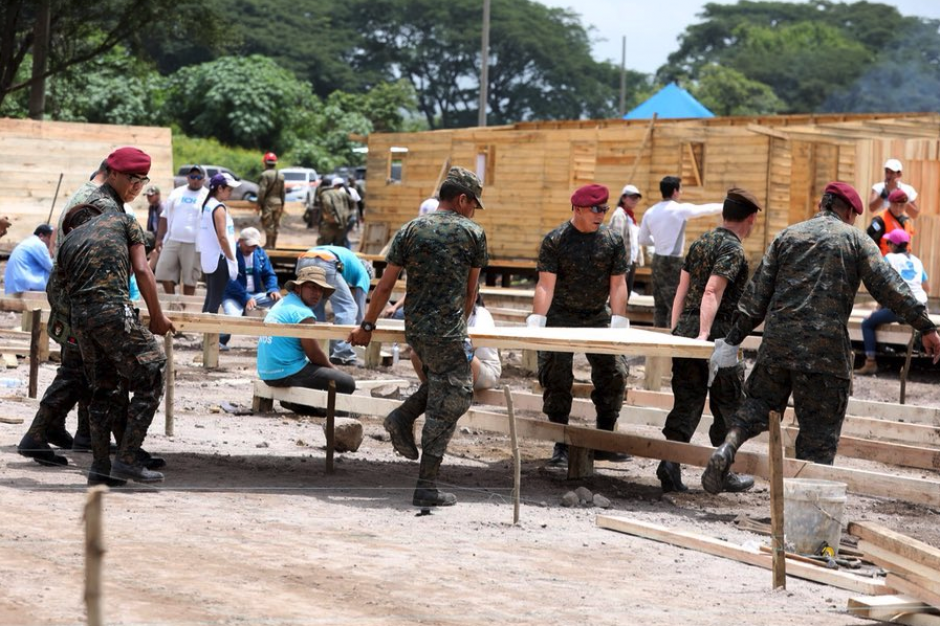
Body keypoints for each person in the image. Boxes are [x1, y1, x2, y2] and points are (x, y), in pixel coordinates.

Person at [701, 182, 940, 494]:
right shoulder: (856, 240)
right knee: (818, 435)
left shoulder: (787, 236)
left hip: (778, 344)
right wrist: (925, 326)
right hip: (824, 353)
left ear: (822, 203)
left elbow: (755, 297)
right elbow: (889, 286)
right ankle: (804, 505)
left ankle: (727, 448)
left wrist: (732, 341)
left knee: (757, 405)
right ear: (851, 212)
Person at [349, 166, 487, 507]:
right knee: (455, 396)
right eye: (473, 203)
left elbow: (385, 285)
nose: (473, 210)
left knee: (442, 383)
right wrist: (463, 329)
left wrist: (367, 326)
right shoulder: (473, 233)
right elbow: (471, 292)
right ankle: (426, 485)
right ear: (462, 199)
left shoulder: (410, 229)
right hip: (449, 329)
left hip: (417, 329)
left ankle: (403, 416)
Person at [58, 146, 176, 485]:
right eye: (131, 180)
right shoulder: (124, 221)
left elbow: (62, 281)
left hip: (82, 317)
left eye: (142, 181)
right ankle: (126, 458)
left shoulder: (71, 241)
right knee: (152, 371)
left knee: (103, 388)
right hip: (111, 309)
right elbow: (142, 270)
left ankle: (99, 468)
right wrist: (157, 317)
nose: (136, 187)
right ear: (112, 175)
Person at [657, 188, 762, 494]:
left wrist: (677, 329)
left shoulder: (701, 241)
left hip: (688, 327)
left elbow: (682, 288)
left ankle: (670, 463)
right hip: (719, 336)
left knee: (686, 398)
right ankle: (723, 472)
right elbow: (712, 291)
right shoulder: (733, 249)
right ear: (751, 218)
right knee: (730, 401)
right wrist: (704, 335)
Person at [528, 183, 630, 468]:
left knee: (615, 373)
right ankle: (561, 442)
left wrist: (618, 323)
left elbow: (618, 284)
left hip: (597, 316)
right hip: (560, 316)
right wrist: (537, 324)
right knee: (557, 378)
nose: (601, 214)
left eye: (605, 208)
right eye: (596, 209)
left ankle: (604, 440)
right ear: (578, 208)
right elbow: (545, 286)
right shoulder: (556, 240)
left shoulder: (612, 240)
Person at [257, 265, 356, 414]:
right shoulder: (303, 313)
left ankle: (297, 404)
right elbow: (314, 354)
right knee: (347, 383)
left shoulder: (283, 303)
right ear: (298, 288)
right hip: (285, 373)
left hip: (267, 372)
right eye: (312, 287)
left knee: (323, 375)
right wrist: (333, 369)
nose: (317, 293)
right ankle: (329, 411)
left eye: (320, 289)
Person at [638, 176, 724, 327]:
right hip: (673, 261)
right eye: (680, 189)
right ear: (675, 191)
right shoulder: (679, 209)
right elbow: (705, 209)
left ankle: (658, 337)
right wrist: (726, 205)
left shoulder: (650, 212)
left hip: (657, 260)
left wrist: (658, 243)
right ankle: (672, 338)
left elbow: (642, 239)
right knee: (675, 303)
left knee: (659, 305)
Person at [857, 228, 930, 376]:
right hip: (921, 307)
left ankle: (870, 362)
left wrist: (877, 310)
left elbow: (884, 287)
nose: (888, 245)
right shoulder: (917, 260)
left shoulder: (889, 258)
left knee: (867, 323)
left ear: (894, 245)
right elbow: (926, 287)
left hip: (902, 306)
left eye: (889, 242)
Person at [296, 245, 372, 365]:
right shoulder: (364, 274)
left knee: (315, 306)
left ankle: (318, 348)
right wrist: (361, 332)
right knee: (348, 307)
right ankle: (343, 354)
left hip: (304, 259)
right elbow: (360, 312)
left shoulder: (350, 261)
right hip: (326, 262)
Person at [409, 293, 501, 391]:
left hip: (485, 370)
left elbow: (473, 345)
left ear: (475, 297)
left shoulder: (482, 314)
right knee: (416, 353)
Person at [220, 227, 281, 347]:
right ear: (240, 241)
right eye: (248, 245)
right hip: (233, 295)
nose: (251, 249)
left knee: (279, 302)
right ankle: (220, 341)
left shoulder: (260, 253)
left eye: (254, 246)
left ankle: (274, 341)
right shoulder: (230, 251)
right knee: (232, 317)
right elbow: (229, 279)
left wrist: (273, 288)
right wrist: (245, 297)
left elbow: (269, 274)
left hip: (255, 295)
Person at [154, 165, 208, 295]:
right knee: (164, 272)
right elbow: (164, 215)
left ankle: (185, 305)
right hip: (173, 239)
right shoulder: (177, 192)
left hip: (194, 243)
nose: (195, 180)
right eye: (192, 177)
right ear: (187, 178)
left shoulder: (207, 195)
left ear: (204, 179)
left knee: (190, 278)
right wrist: (159, 238)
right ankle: (173, 300)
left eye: (199, 177)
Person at [197, 173, 238, 314]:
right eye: (229, 190)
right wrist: (232, 259)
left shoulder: (208, 204)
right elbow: (223, 237)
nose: (231, 193)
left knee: (210, 297)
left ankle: (205, 334)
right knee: (215, 300)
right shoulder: (218, 207)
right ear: (220, 188)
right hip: (220, 259)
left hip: (210, 258)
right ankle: (210, 335)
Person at [608, 184, 642, 296]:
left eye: (636, 198)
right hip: (622, 262)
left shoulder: (631, 217)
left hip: (630, 260)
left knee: (625, 294)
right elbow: (617, 239)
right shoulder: (620, 215)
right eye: (631, 197)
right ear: (623, 198)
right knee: (618, 294)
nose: (634, 200)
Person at [3, 224, 54, 295]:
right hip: (24, 283)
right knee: (55, 273)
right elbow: (51, 267)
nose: (50, 241)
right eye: (49, 238)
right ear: (41, 236)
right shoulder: (38, 244)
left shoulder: (27, 242)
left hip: (12, 285)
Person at [867, 188, 914, 256]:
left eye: (901, 205)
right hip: (884, 261)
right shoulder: (879, 220)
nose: (898, 208)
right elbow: (870, 241)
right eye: (895, 205)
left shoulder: (906, 221)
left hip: (903, 261)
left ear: (906, 205)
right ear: (890, 203)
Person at [257, 152, 286, 248]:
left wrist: (259, 203)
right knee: (276, 224)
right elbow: (283, 192)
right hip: (278, 202)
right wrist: (282, 204)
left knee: (268, 223)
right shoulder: (281, 175)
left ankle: (268, 244)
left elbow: (262, 191)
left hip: (268, 203)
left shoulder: (265, 175)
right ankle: (273, 244)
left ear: (265, 162)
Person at [318, 177, 350, 247]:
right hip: (342, 223)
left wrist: (331, 216)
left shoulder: (325, 193)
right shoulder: (342, 193)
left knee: (324, 245)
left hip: (330, 223)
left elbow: (327, 203)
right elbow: (352, 203)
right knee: (339, 245)